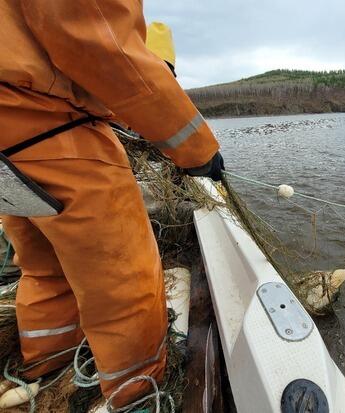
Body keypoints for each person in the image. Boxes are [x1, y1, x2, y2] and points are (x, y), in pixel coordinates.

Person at [0, 1, 222, 407]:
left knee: (46, 263)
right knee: (124, 277)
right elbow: (105, 47)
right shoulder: (119, 54)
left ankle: (45, 362)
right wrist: (197, 151)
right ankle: (136, 389)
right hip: (43, 121)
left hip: (9, 137)